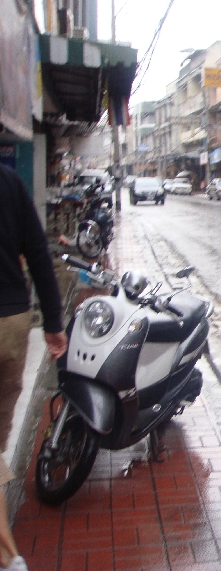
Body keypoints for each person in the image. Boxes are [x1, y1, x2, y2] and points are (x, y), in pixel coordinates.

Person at [0, 163, 67, 571]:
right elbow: (39, 254)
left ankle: (8, 557)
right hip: (11, 323)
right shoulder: (8, 182)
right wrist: (54, 325)